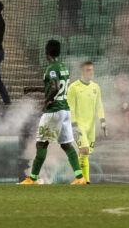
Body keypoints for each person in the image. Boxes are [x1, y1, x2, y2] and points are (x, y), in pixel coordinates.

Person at [18, 39, 87, 185]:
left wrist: (46, 102)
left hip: (54, 111)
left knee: (41, 144)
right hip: (65, 111)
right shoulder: (64, 67)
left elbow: (54, 88)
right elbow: (56, 87)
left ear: (46, 52)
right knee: (66, 144)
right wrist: (33, 89)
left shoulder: (51, 69)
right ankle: (80, 177)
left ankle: (33, 179)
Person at [67, 61, 106, 183]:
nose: (91, 72)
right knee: (84, 149)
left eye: (92, 70)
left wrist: (103, 121)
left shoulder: (96, 87)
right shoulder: (74, 87)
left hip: (91, 127)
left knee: (85, 153)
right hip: (78, 126)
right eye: (88, 70)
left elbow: (99, 105)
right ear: (82, 72)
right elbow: (70, 107)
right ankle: (82, 179)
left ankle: (84, 180)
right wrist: (73, 124)